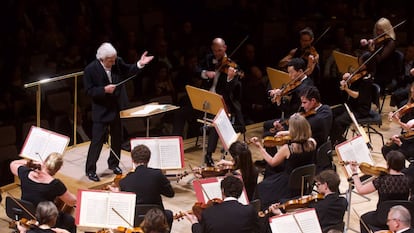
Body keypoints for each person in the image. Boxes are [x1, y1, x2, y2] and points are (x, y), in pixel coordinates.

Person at [83, 42, 154, 182]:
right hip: (101, 111)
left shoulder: (117, 62)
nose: (114, 62)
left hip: (115, 108)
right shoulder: (90, 69)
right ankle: (90, 170)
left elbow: (129, 70)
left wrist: (140, 63)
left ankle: (113, 164)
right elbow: (88, 91)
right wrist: (104, 90)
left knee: (117, 139)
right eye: (111, 60)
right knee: (97, 141)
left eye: (114, 59)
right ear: (102, 59)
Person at [257, 58, 314, 177]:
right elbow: (286, 108)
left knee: (268, 135)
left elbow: (292, 111)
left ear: (300, 71)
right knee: (267, 125)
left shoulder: (304, 87)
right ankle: (273, 157)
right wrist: (279, 99)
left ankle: (275, 163)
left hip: (298, 121)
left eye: (291, 72)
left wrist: (280, 99)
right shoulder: (298, 84)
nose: (289, 76)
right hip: (291, 116)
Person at [251, 113, 316, 209]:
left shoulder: (288, 148)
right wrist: (285, 133)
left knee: (261, 187)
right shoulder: (312, 142)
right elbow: (301, 134)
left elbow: (272, 162)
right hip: (304, 181)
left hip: (288, 183)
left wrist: (260, 147)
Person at [199, 38, 246, 167]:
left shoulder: (232, 66)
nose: (217, 54)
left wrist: (230, 79)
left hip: (224, 102)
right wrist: (205, 73)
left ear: (225, 48)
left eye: (219, 50)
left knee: (217, 122)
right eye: (215, 51)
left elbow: (233, 92)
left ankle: (209, 155)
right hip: (206, 98)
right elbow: (196, 69)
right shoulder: (209, 59)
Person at [108, 144, 175, 229]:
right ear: (148, 159)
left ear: (133, 160)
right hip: (156, 218)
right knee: (169, 215)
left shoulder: (124, 181)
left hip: (135, 219)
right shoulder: (157, 174)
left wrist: (117, 193)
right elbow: (170, 194)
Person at [10, 153, 77, 233]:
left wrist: (33, 163)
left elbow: (13, 164)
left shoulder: (26, 173)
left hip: (26, 214)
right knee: (70, 220)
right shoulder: (55, 184)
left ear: (44, 162)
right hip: (45, 219)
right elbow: (72, 202)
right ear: (57, 169)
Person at [350, 151, 412, 233]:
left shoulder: (382, 180)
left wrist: (354, 173)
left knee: (363, 219)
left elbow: (361, 190)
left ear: (388, 164)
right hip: (402, 218)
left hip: (382, 218)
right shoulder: (408, 180)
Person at [267, 170, 347, 231]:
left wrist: (280, 213)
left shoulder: (317, 207)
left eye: (318, 185)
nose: (317, 188)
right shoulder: (343, 202)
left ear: (325, 185)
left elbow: (296, 226)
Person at [185, 175, 259, 233]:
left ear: (222, 191)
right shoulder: (250, 210)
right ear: (240, 192)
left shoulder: (208, 213)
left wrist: (194, 223)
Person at [330, 51, 374, 146]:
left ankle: (334, 143)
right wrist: (347, 79)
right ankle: (339, 139)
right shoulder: (359, 73)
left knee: (339, 121)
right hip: (351, 105)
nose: (359, 65)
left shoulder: (367, 79)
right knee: (331, 113)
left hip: (360, 109)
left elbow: (357, 95)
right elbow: (353, 82)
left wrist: (346, 89)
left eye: (362, 63)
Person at [361, 17, 398, 93]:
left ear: (386, 30)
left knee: (365, 81)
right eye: (377, 29)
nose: (378, 32)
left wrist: (372, 50)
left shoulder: (391, 43)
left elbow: (379, 60)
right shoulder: (378, 41)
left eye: (381, 30)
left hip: (385, 73)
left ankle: (365, 102)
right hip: (375, 70)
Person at [382, 86, 414, 162]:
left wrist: (398, 122)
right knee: (386, 148)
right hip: (409, 137)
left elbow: (410, 128)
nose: (412, 95)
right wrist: (395, 115)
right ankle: (395, 171)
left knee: (395, 155)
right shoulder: (410, 105)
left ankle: (402, 172)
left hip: (412, 142)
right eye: (412, 92)